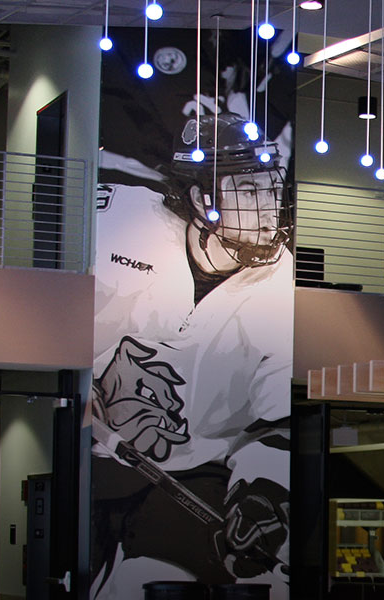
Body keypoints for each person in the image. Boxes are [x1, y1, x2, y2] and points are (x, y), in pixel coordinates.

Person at [88, 112, 293, 599]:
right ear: (202, 198)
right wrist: (69, 385)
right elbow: (45, 307)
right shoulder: (118, 223)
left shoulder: (284, 289)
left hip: (193, 482)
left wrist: (262, 496)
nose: (267, 209)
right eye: (247, 191)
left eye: (271, 189)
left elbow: (276, 425)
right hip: (90, 456)